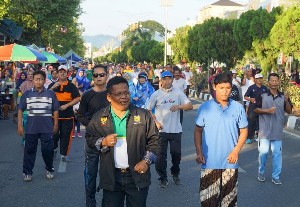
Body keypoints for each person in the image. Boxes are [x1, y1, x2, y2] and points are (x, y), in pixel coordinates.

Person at [85, 76, 159, 207]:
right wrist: (103, 141)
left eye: (126, 92)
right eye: (119, 94)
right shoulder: (99, 117)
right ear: (109, 97)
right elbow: (90, 139)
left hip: (137, 176)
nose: (124, 97)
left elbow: (155, 141)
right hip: (111, 177)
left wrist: (146, 161)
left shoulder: (143, 115)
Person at [194, 72, 248, 206]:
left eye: (228, 88)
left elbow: (244, 131)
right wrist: (199, 152)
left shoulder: (238, 108)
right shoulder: (205, 107)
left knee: (228, 203)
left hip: (230, 164)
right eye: (221, 88)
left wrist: (236, 151)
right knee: (208, 203)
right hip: (209, 163)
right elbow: (198, 130)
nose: (225, 91)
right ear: (215, 87)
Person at [145, 71, 193, 187]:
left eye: (169, 79)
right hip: (161, 131)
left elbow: (190, 106)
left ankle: (175, 172)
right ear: (161, 80)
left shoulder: (178, 93)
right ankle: (163, 178)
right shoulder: (156, 94)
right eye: (164, 79)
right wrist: (155, 122)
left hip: (175, 130)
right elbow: (147, 110)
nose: (167, 81)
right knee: (160, 157)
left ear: (172, 80)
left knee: (176, 155)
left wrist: (179, 106)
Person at [76, 64, 110, 207]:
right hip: (92, 141)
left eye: (101, 75)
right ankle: (90, 203)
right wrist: (91, 125)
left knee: (109, 176)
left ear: (107, 76)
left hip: (110, 141)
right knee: (90, 174)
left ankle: (107, 202)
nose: (98, 77)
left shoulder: (112, 94)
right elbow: (80, 115)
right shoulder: (87, 95)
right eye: (95, 75)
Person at [17, 70, 60, 181]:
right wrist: (20, 126)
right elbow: (20, 109)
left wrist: (55, 125)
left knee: (48, 151)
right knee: (29, 151)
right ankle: (27, 172)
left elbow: (55, 110)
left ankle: (49, 169)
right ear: (33, 80)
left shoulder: (50, 94)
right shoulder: (27, 94)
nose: (38, 81)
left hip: (47, 128)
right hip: (31, 129)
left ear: (44, 80)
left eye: (40, 79)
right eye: (36, 79)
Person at [254, 73, 292, 185]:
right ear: (268, 82)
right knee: (263, 153)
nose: (274, 82)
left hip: (277, 131)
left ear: (279, 82)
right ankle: (261, 172)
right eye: (272, 80)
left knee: (277, 154)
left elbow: (289, 111)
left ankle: (276, 176)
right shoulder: (262, 95)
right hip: (264, 131)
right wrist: (266, 111)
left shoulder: (283, 96)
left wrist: (286, 100)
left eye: (276, 80)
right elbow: (255, 110)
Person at [48, 65, 81, 162]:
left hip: (68, 116)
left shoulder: (71, 86)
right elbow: (45, 96)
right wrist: (52, 88)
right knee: (54, 136)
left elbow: (78, 98)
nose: (62, 73)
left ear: (67, 74)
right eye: (60, 71)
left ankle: (64, 154)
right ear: (57, 74)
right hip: (54, 117)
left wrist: (67, 105)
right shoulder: (52, 85)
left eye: (64, 72)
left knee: (66, 136)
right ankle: (54, 149)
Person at [244, 73, 268, 144]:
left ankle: (259, 136)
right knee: (251, 122)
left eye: (261, 78)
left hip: (262, 107)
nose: (260, 80)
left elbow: (268, 97)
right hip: (253, 107)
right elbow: (245, 96)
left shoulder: (264, 88)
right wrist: (250, 99)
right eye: (258, 78)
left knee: (261, 122)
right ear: (255, 79)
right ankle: (249, 137)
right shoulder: (251, 87)